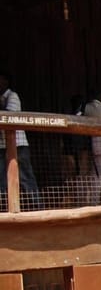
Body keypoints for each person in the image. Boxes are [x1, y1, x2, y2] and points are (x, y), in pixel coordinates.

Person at [0, 73, 40, 210]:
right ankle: (5, 208)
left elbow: (9, 116)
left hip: (18, 145)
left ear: (5, 81)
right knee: (3, 180)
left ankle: (37, 207)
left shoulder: (12, 96)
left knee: (25, 178)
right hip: (2, 146)